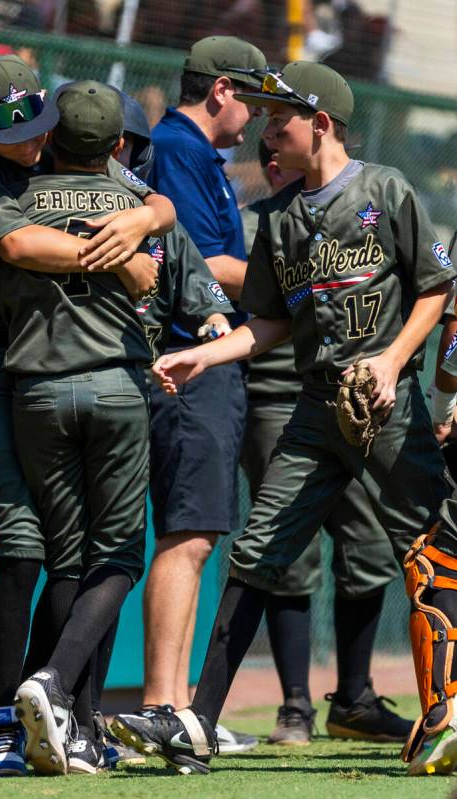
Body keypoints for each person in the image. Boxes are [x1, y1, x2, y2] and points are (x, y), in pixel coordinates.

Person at [113, 61, 457, 778]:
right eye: (265, 118)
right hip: (315, 409)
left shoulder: (383, 188)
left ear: (320, 123)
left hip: (387, 408)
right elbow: (268, 321)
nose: (267, 133)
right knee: (256, 550)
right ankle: (198, 722)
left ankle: (444, 711)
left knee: (428, 547)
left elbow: (434, 288)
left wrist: (394, 361)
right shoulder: (274, 218)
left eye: (280, 119)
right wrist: (202, 357)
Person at [0, 54, 175, 777]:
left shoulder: (59, 156)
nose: (32, 144)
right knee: (22, 548)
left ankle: (64, 711)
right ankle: (1, 721)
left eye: (39, 125)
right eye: (16, 133)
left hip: (40, 364)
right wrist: (117, 257)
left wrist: (146, 216)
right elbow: (12, 246)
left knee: (69, 552)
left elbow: (154, 205)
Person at [241, 141, 408, 745]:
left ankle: (356, 699)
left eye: (281, 145)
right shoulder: (264, 218)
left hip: (357, 396)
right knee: (285, 555)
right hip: (277, 394)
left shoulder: (368, 200)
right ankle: (292, 707)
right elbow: (223, 274)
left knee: (368, 548)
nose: (274, 160)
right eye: (266, 152)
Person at [129, 35, 266, 754]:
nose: (259, 111)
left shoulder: (194, 152)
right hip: (187, 359)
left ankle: (176, 707)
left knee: (196, 534)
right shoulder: (178, 149)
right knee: (187, 534)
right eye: (253, 93)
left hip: (203, 359)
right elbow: (202, 260)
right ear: (220, 90)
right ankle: (161, 703)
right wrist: (298, 280)